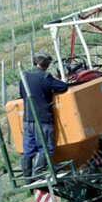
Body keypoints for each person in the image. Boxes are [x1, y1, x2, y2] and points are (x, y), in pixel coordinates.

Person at [19, 52, 69, 180]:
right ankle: (39, 172)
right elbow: (63, 87)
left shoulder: (24, 76)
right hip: (42, 119)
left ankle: (27, 176)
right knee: (46, 148)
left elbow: (21, 94)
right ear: (45, 64)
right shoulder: (45, 77)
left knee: (28, 149)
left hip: (27, 119)